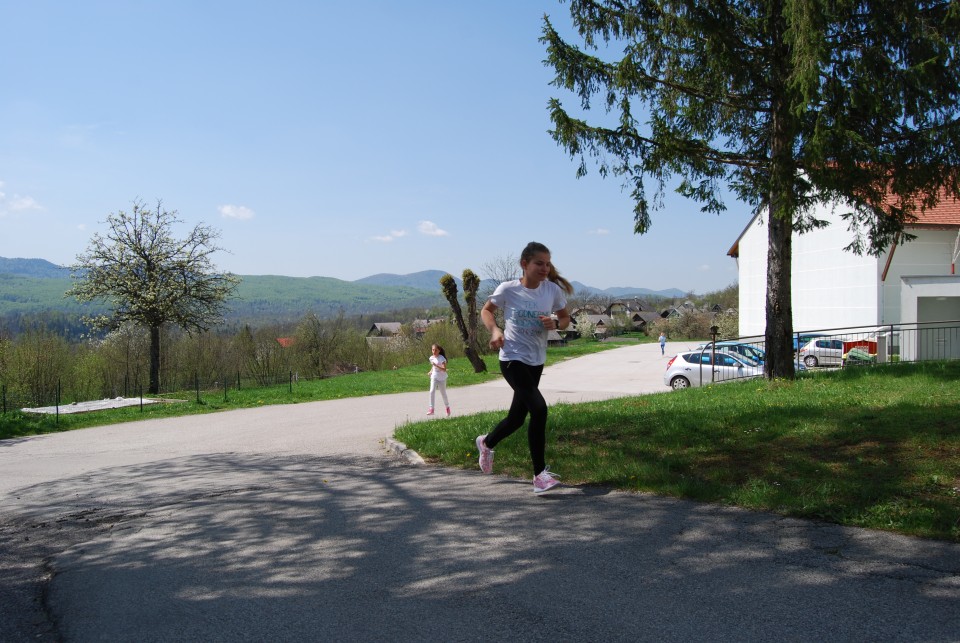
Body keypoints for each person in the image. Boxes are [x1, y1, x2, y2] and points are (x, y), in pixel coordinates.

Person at [475, 241, 573, 493]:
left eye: (547, 263)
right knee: (539, 409)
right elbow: (486, 311)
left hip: (536, 360)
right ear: (524, 264)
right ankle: (540, 475)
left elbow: (564, 319)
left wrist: (555, 323)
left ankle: (486, 443)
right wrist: (496, 330)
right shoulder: (508, 289)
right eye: (539, 263)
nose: (544, 268)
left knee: (517, 418)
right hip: (511, 358)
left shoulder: (551, 290)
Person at [427, 344, 450, 416]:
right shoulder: (431, 358)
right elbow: (433, 366)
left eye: (435, 350)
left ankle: (447, 407)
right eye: (433, 350)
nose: (434, 351)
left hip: (442, 377)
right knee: (431, 391)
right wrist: (431, 371)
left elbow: (444, 369)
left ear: (439, 351)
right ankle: (431, 409)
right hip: (434, 376)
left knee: (443, 393)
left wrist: (436, 365)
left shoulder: (442, 358)